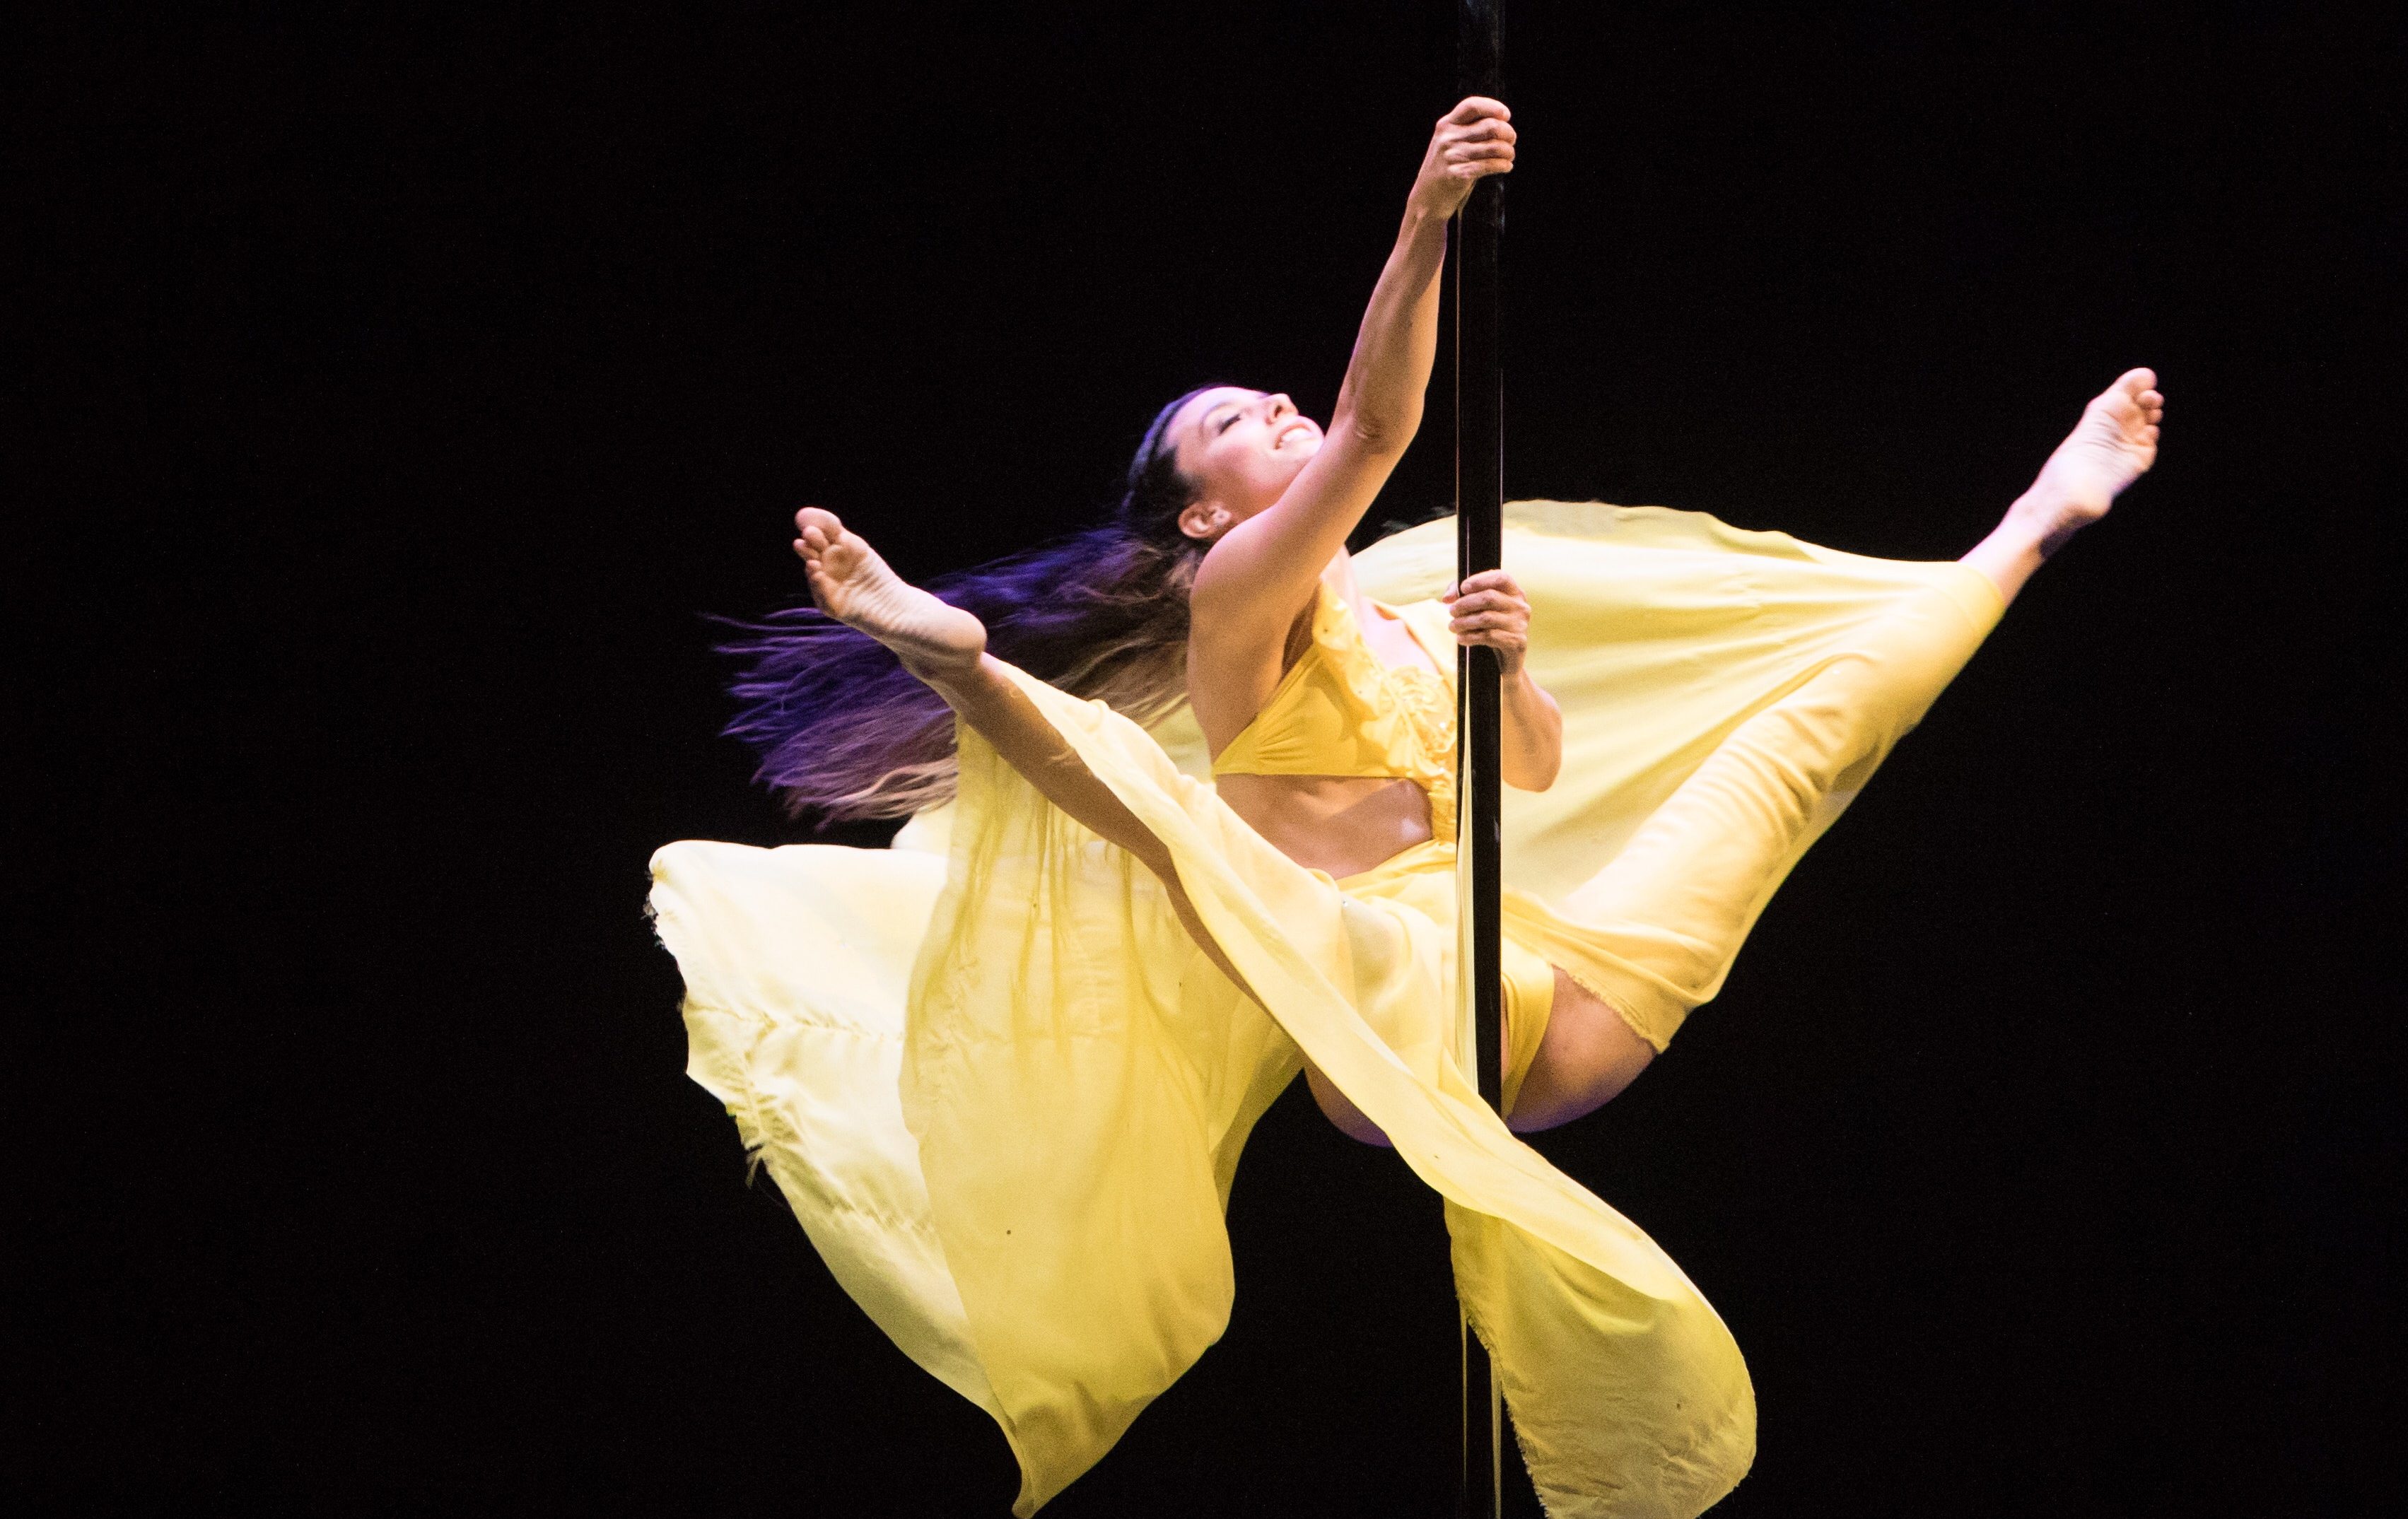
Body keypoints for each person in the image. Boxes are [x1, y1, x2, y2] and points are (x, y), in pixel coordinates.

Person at [650, 97, 2162, 1518]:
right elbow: (1376, 433)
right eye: (1239, 423)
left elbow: (1534, 770)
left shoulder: (1401, 615)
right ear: (1203, 513)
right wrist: (1428, 217)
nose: (1281, 410)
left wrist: (1500, 672)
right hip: (1373, 1003)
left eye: (1269, 398)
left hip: (1552, 1010)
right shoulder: (1235, 598)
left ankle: (2037, 515)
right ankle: (950, 652)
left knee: (1806, 733)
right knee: (1153, 814)